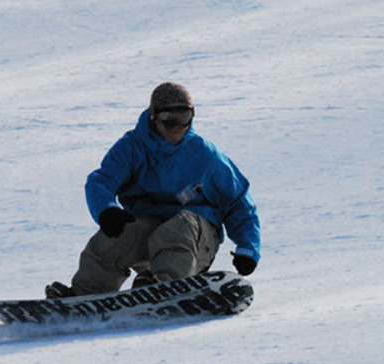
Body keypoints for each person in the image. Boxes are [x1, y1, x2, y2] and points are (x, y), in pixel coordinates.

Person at [45, 82, 260, 298]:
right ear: (153, 116)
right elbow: (102, 180)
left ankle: (167, 286)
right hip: (150, 231)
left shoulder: (205, 155)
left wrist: (247, 248)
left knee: (178, 226)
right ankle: (85, 296)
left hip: (195, 239)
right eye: (169, 119)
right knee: (119, 235)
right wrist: (106, 210)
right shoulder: (132, 147)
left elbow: (238, 201)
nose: (177, 127)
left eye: (184, 117)